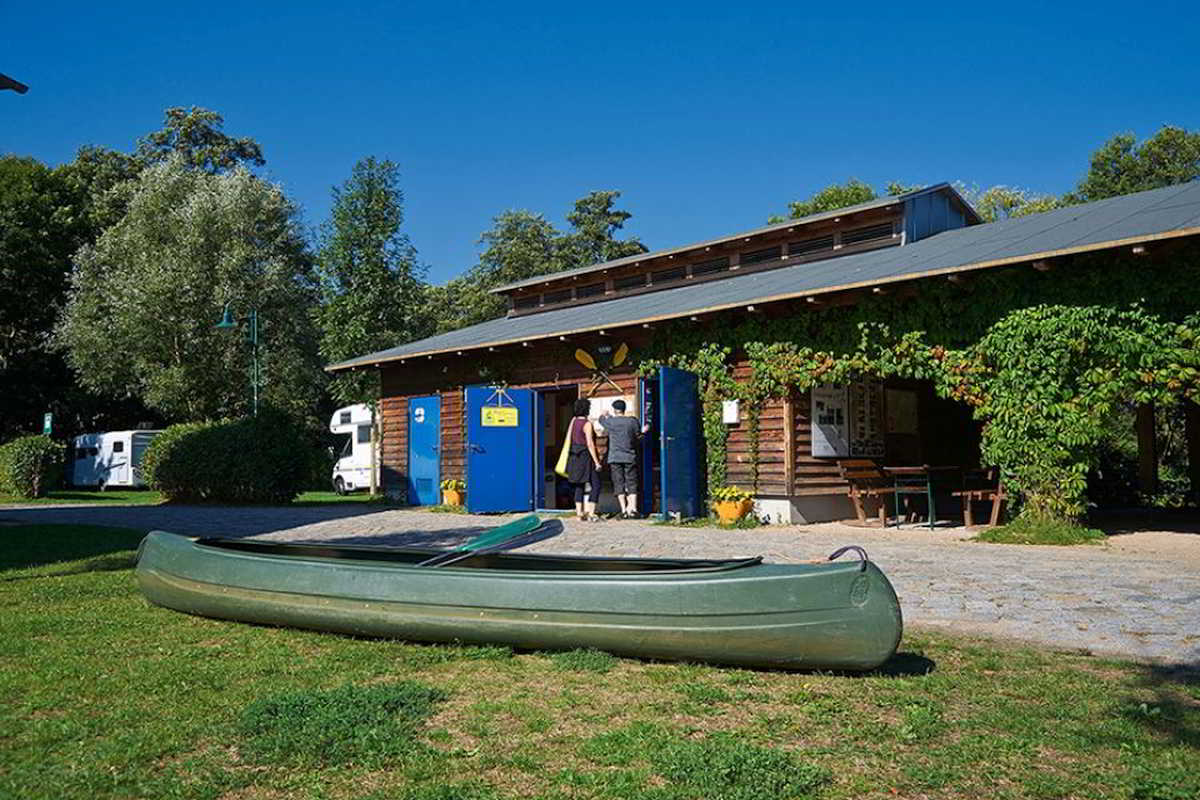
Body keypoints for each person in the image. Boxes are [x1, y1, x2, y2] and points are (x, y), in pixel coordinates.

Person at [599, 399, 648, 518]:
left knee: (618, 482)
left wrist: (605, 414)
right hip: (629, 456)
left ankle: (624, 510)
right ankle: (633, 509)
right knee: (631, 482)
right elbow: (638, 436)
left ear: (615, 410)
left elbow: (601, 420)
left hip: (615, 457)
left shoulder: (611, 422)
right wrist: (643, 431)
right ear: (624, 409)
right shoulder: (632, 421)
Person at [565, 398, 603, 522]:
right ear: (587, 409)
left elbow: (569, 437)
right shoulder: (587, 424)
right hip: (586, 456)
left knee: (579, 485)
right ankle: (591, 513)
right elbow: (590, 443)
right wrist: (597, 462)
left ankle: (579, 514)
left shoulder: (573, 421)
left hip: (574, 455)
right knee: (596, 484)